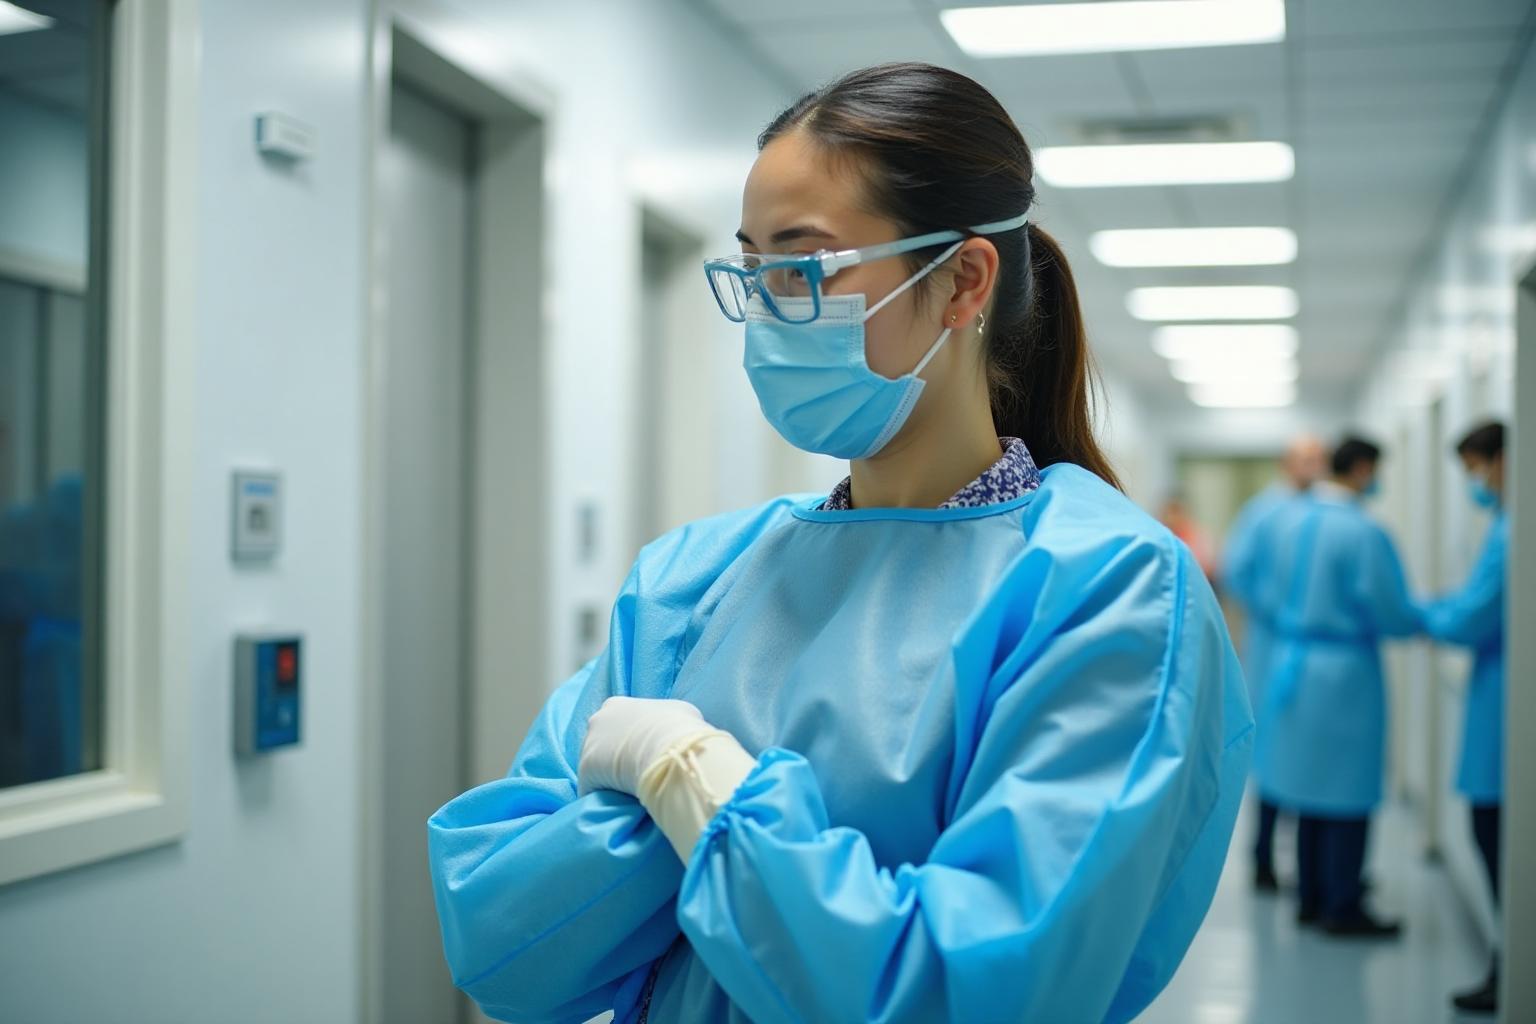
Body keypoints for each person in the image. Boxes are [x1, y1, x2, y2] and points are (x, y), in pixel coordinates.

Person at [427, 63, 1252, 1024]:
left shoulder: (1108, 587)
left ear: (963, 280)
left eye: (804, 267)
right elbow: (496, 931)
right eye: (751, 271)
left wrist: (701, 788)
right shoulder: (692, 577)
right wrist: (704, 816)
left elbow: (962, 989)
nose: (768, 311)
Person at [1248, 436, 1421, 938]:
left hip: (1291, 659)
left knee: (1304, 784)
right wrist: (1423, 620)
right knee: (1347, 787)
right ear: (1364, 469)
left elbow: (1259, 582)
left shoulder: (1285, 520)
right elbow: (1391, 609)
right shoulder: (1363, 532)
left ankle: (1310, 895)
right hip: (1343, 670)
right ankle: (1342, 903)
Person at [1422, 421, 1507, 1014]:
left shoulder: (1511, 530)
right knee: (1490, 828)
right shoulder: (1504, 523)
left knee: (1494, 830)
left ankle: (1511, 964)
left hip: (1505, 700)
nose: (1476, 481)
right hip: (1492, 689)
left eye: (1478, 467)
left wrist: (1423, 617)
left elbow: (1475, 615)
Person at [1224, 434, 1327, 891]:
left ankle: (1315, 862)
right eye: (1303, 459)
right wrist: (1274, 609)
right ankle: (1263, 855)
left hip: (1316, 652)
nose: (1310, 467)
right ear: (1287, 464)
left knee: (1310, 751)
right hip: (1273, 645)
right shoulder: (1263, 512)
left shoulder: (1329, 511)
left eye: (1317, 459)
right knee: (1270, 751)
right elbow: (1236, 571)